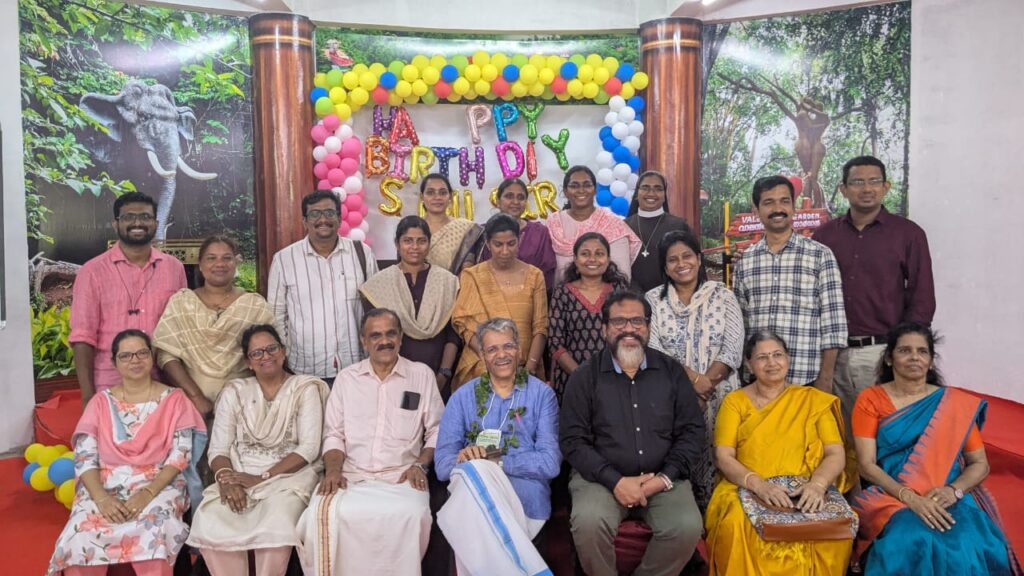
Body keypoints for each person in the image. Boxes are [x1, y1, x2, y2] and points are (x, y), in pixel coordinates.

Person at [852, 323, 1018, 575]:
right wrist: (909, 497)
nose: (914, 357)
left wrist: (954, 491)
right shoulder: (871, 399)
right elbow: (866, 465)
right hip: (893, 495)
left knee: (966, 542)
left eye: (922, 351)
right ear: (889, 358)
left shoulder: (953, 403)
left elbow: (979, 463)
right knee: (910, 538)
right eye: (905, 350)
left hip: (945, 494)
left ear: (930, 362)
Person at [560, 290, 705, 576]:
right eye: (619, 322)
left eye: (637, 321)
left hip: (662, 478)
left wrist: (663, 478)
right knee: (588, 523)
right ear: (604, 329)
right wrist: (615, 481)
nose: (629, 329)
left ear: (648, 327)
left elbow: (692, 431)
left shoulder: (671, 371)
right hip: (600, 480)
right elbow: (572, 441)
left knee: (686, 526)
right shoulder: (584, 377)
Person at [297, 309, 444, 576]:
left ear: (401, 337)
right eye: (375, 335)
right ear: (363, 341)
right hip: (352, 476)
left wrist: (420, 465)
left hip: (401, 476)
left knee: (413, 515)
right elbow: (334, 434)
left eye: (390, 334)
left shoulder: (421, 375)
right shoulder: (347, 379)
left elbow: (436, 430)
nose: (384, 341)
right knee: (319, 514)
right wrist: (333, 471)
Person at [48, 329, 206, 576]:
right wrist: (102, 498)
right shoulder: (100, 403)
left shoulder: (175, 400)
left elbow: (180, 455)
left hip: (160, 483)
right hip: (105, 484)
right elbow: (84, 458)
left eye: (142, 353)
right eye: (126, 355)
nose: (135, 360)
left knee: (157, 526)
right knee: (80, 531)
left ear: (152, 357)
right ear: (114, 362)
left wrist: (147, 494)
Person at [705, 330, 852, 575]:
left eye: (777, 355)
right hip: (746, 485)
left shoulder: (813, 400)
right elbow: (723, 456)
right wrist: (759, 486)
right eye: (762, 357)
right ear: (749, 365)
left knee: (831, 529)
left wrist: (817, 485)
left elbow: (835, 453)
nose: (771, 363)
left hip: (805, 487)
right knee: (736, 523)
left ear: (788, 359)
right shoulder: (735, 402)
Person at [187, 325, 329, 576]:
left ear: (283, 352)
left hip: (289, 477)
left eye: (272, 348)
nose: (266, 356)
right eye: (257, 353)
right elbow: (218, 448)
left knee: (278, 521)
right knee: (210, 517)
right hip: (239, 474)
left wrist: (263, 477)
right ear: (248, 362)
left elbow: (308, 448)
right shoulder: (235, 391)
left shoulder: (304, 388)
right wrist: (226, 480)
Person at [813, 156, 936, 439]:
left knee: (888, 437)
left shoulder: (908, 234)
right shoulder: (824, 236)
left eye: (874, 181)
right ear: (843, 189)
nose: (866, 189)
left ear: (886, 187)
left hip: (881, 353)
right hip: (833, 355)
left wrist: (904, 352)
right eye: (857, 182)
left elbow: (922, 297)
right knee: (839, 437)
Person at [434, 318, 561, 575]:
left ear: (520, 350)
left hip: (526, 502)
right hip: (473, 503)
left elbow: (550, 463)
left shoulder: (541, 395)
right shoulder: (461, 398)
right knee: (473, 476)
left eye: (508, 346)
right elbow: (443, 466)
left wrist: (495, 463)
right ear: (482, 355)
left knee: (477, 474)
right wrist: (465, 459)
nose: (501, 355)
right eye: (492, 349)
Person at [646, 229, 744, 510]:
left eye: (687, 256)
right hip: (672, 399)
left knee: (722, 460)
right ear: (665, 267)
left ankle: (719, 523)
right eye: (672, 259)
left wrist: (704, 389)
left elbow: (733, 348)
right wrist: (692, 384)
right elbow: (654, 349)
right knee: (677, 464)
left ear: (699, 259)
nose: (681, 264)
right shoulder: (653, 300)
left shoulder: (723, 295)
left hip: (721, 397)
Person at [70, 192, 187, 405]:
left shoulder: (174, 268)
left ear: (155, 223)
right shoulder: (92, 271)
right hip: (110, 384)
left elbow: (182, 329)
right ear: (116, 224)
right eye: (128, 217)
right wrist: (88, 397)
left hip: (164, 383)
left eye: (145, 217)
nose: (137, 223)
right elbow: (82, 338)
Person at [732, 175, 847, 389]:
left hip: (806, 377)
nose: (778, 209)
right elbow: (741, 325)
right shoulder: (745, 261)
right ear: (756, 210)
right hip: (758, 380)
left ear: (793, 207)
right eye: (769, 202)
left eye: (784, 201)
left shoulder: (819, 255)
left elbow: (833, 322)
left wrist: (826, 378)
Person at [267, 190, 378, 386]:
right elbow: (276, 314)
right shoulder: (284, 260)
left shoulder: (362, 253)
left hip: (356, 365)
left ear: (339, 218)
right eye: (315, 214)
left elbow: (376, 307)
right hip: (304, 369)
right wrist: (286, 354)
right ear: (305, 221)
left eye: (329, 213)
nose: (323, 219)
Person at [153, 235, 273, 416]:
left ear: (236, 263)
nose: (220, 264)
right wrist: (195, 396)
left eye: (227, 258)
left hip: (245, 403)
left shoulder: (254, 305)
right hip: (192, 406)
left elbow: (270, 355)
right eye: (211, 258)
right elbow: (165, 354)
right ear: (200, 264)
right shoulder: (182, 302)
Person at [360, 215, 460, 392]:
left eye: (421, 241)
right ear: (397, 244)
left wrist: (443, 374)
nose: (415, 247)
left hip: (439, 376)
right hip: (392, 377)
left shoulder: (447, 282)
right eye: (408, 241)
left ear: (429, 244)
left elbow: (453, 334)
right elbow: (374, 337)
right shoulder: (379, 284)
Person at [451, 213, 548, 389]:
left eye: (511, 244)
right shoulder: (472, 276)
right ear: (488, 244)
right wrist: (494, 362)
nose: (505, 251)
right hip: (482, 367)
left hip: (526, 369)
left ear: (520, 240)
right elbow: (465, 325)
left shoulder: (535, 275)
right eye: (498, 244)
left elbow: (540, 327)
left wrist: (529, 369)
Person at [548, 231, 627, 402]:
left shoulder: (619, 290)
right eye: (585, 254)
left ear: (608, 259)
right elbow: (555, 343)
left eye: (599, 254)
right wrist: (581, 377)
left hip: (616, 378)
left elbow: (628, 334)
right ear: (575, 259)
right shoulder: (562, 292)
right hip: (572, 379)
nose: (592, 259)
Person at [547, 165, 641, 286]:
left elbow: (622, 274)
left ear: (595, 189)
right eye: (574, 186)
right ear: (565, 191)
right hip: (560, 295)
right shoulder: (553, 223)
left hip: (606, 295)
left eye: (587, 185)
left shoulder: (612, 223)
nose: (581, 190)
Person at [480, 177, 557, 290]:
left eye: (521, 197)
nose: (515, 202)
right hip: (489, 295)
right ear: (498, 201)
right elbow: (478, 270)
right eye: (509, 196)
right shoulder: (482, 232)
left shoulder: (539, 233)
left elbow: (547, 272)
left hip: (531, 295)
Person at [626, 171, 696, 293]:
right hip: (632, 298)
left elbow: (693, 265)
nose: (651, 193)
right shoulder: (624, 226)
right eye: (645, 188)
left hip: (672, 296)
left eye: (658, 189)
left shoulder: (679, 226)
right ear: (637, 193)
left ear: (664, 195)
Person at [420, 173, 484, 274]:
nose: (437, 197)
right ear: (422, 197)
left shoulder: (465, 228)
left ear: (450, 196)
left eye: (442, 193)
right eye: (430, 193)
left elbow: (469, 269)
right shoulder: (412, 228)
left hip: (456, 283)